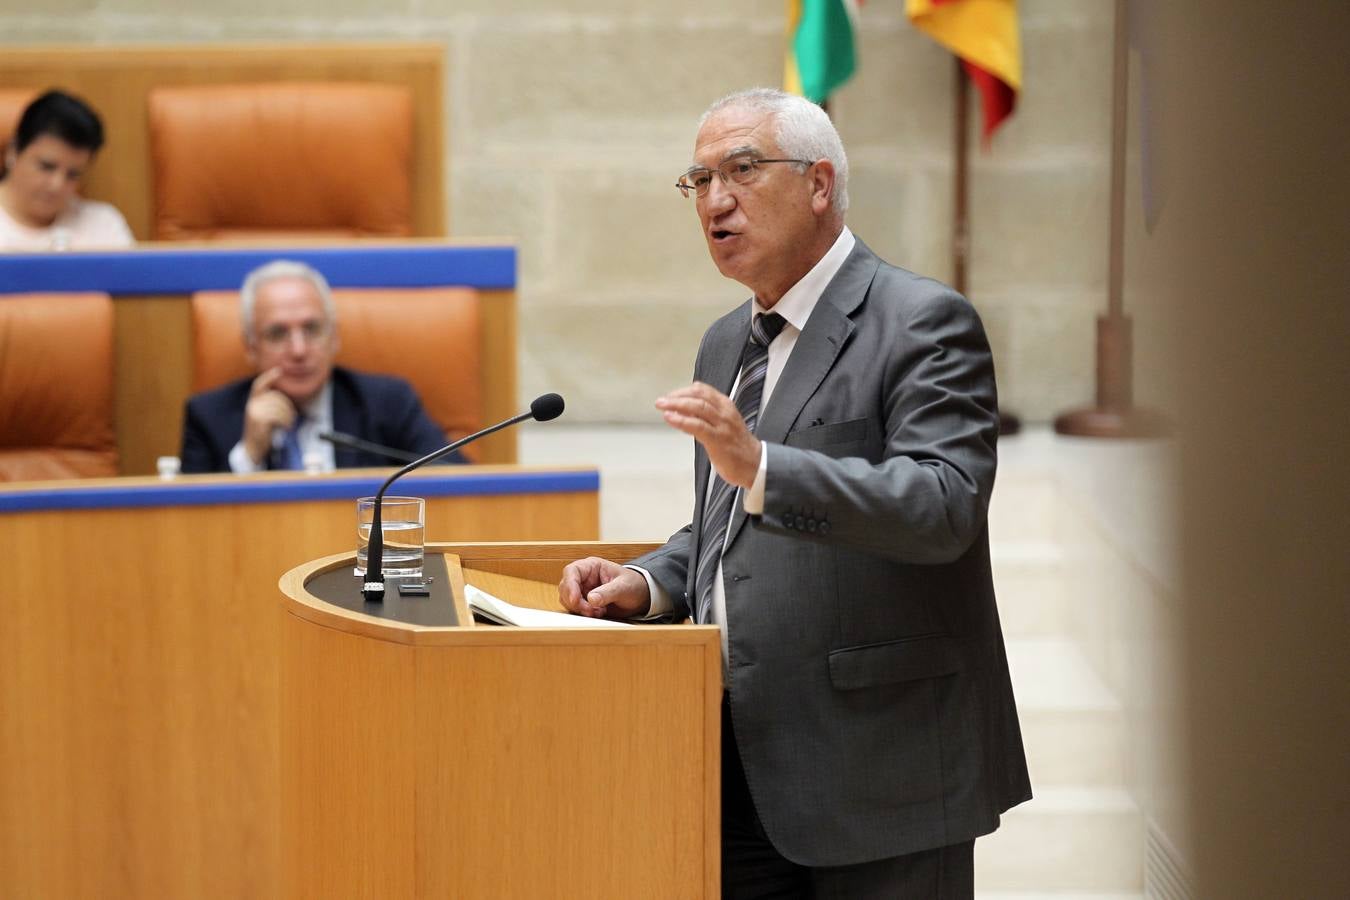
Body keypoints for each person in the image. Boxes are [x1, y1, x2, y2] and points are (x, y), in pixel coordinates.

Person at [558, 88, 1031, 897]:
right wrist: (651, 579)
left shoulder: (922, 322)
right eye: (698, 180)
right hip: (740, 760)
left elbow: (942, 507)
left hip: (883, 772)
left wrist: (767, 469)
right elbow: (729, 524)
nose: (715, 200)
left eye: (741, 169)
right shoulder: (725, 342)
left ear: (819, 185)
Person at [180, 260, 462, 474]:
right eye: (278, 333)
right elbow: (190, 528)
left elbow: (460, 482)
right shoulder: (208, 418)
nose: (299, 350)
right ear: (251, 348)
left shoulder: (388, 403)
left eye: (312, 329)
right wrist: (249, 455)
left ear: (334, 337)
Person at [0, 89, 134, 251]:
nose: (56, 185)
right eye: (46, 167)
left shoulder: (103, 225)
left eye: (73, 174)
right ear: (13, 151)